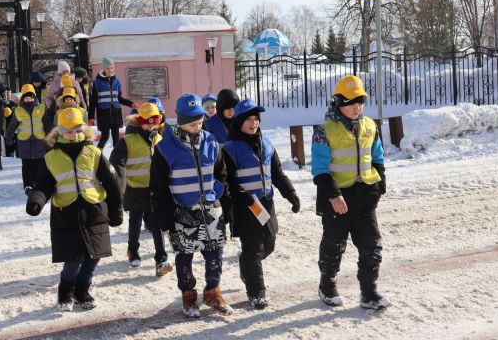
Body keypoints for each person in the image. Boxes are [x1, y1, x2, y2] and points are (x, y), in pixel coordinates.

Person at [25, 107, 123, 312]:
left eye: (78, 130)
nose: (74, 134)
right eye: (69, 131)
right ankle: (65, 292)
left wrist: (116, 212)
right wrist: (36, 201)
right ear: (59, 131)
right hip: (66, 215)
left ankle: (82, 290)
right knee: (73, 259)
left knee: (93, 256)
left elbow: (112, 183)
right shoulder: (51, 157)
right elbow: (43, 185)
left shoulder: (94, 153)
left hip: (95, 212)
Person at [150, 93, 232, 318]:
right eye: (193, 123)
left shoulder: (211, 141)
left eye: (200, 122)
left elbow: (221, 173)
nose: (198, 126)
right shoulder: (165, 148)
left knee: (215, 255)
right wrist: (166, 217)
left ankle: (213, 292)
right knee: (184, 258)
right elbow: (158, 187)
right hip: (182, 215)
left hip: (211, 213)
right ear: (181, 121)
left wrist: (220, 192)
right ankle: (188, 295)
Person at [311, 75, 388, 310]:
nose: (357, 107)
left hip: (365, 197)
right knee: (334, 246)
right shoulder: (324, 130)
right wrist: (333, 195)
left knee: (371, 246)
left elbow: (377, 157)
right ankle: (327, 285)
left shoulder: (369, 125)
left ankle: (369, 292)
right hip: (337, 199)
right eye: (351, 102)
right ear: (338, 102)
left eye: (360, 101)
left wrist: (380, 184)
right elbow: (320, 169)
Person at [221, 98, 301, 309]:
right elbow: (227, 182)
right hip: (246, 206)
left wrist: (290, 193)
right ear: (238, 121)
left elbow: (277, 173)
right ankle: (257, 293)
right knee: (254, 249)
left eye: (256, 119)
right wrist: (240, 197)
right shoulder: (229, 149)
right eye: (248, 119)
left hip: (266, 203)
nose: (253, 123)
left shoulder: (267, 144)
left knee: (269, 244)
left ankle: (246, 263)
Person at [110, 102, 173, 277]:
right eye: (149, 121)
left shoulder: (158, 139)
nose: (153, 124)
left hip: (154, 189)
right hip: (134, 188)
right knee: (136, 221)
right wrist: (121, 182)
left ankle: (161, 258)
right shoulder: (128, 141)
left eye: (156, 120)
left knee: (156, 223)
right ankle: (133, 251)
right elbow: (117, 162)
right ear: (140, 121)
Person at [6, 84, 52, 195]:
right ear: (22, 98)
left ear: (35, 97)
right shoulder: (18, 111)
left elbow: (47, 124)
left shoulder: (41, 109)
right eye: (26, 98)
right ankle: (28, 185)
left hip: (39, 141)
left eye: (31, 97)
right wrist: (8, 136)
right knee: (26, 165)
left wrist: (50, 138)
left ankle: (37, 184)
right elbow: (12, 125)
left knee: (39, 163)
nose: (29, 100)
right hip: (24, 142)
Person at [88, 57, 137, 149]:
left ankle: (116, 156)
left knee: (116, 138)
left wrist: (130, 103)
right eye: (107, 68)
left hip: (115, 114)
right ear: (103, 68)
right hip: (104, 115)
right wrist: (90, 117)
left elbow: (119, 98)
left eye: (111, 68)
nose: (110, 70)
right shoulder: (97, 83)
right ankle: (97, 155)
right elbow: (93, 101)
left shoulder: (117, 82)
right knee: (104, 137)